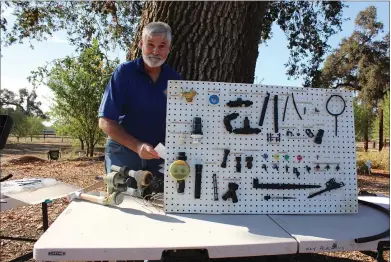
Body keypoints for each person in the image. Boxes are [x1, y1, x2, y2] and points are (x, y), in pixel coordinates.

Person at [98, 22, 182, 185]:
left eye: (162, 46)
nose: (156, 51)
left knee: (157, 206)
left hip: (158, 156)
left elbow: (180, 122)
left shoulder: (175, 79)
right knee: (123, 205)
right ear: (141, 44)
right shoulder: (124, 72)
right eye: (150, 45)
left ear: (169, 49)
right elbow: (105, 122)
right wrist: (137, 146)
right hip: (123, 154)